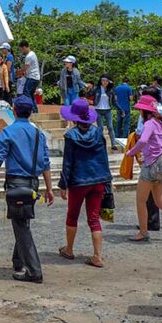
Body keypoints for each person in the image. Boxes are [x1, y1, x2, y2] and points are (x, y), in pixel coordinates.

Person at [0, 96, 54, 283]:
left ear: (14, 110)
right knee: (22, 221)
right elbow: (45, 163)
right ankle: (18, 261)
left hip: (16, 183)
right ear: (31, 112)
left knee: (21, 226)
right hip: (33, 183)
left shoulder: (8, 131)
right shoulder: (39, 134)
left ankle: (34, 271)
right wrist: (50, 188)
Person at [56, 98, 111, 268]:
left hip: (78, 181)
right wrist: (107, 180)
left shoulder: (71, 136)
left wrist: (63, 185)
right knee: (94, 218)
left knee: (72, 215)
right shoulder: (97, 133)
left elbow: (68, 163)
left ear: (74, 118)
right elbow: (104, 158)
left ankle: (69, 249)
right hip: (98, 180)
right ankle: (97, 256)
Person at [127, 94, 162, 241]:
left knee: (140, 200)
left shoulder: (149, 124)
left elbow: (143, 140)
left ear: (144, 111)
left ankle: (143, 232)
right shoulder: (160, 123)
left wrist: (131, 152)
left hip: (151, 164)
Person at [17, 40, 41, 113]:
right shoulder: (32, 54)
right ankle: (35, 110)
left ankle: (32, 110)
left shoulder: (29, 56)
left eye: (21, 50)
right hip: (35, 77)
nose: (21, 52)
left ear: (24, 47)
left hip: (32, 77)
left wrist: (18, 72)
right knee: (30, 94)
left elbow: (25, 68)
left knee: (26, 93)